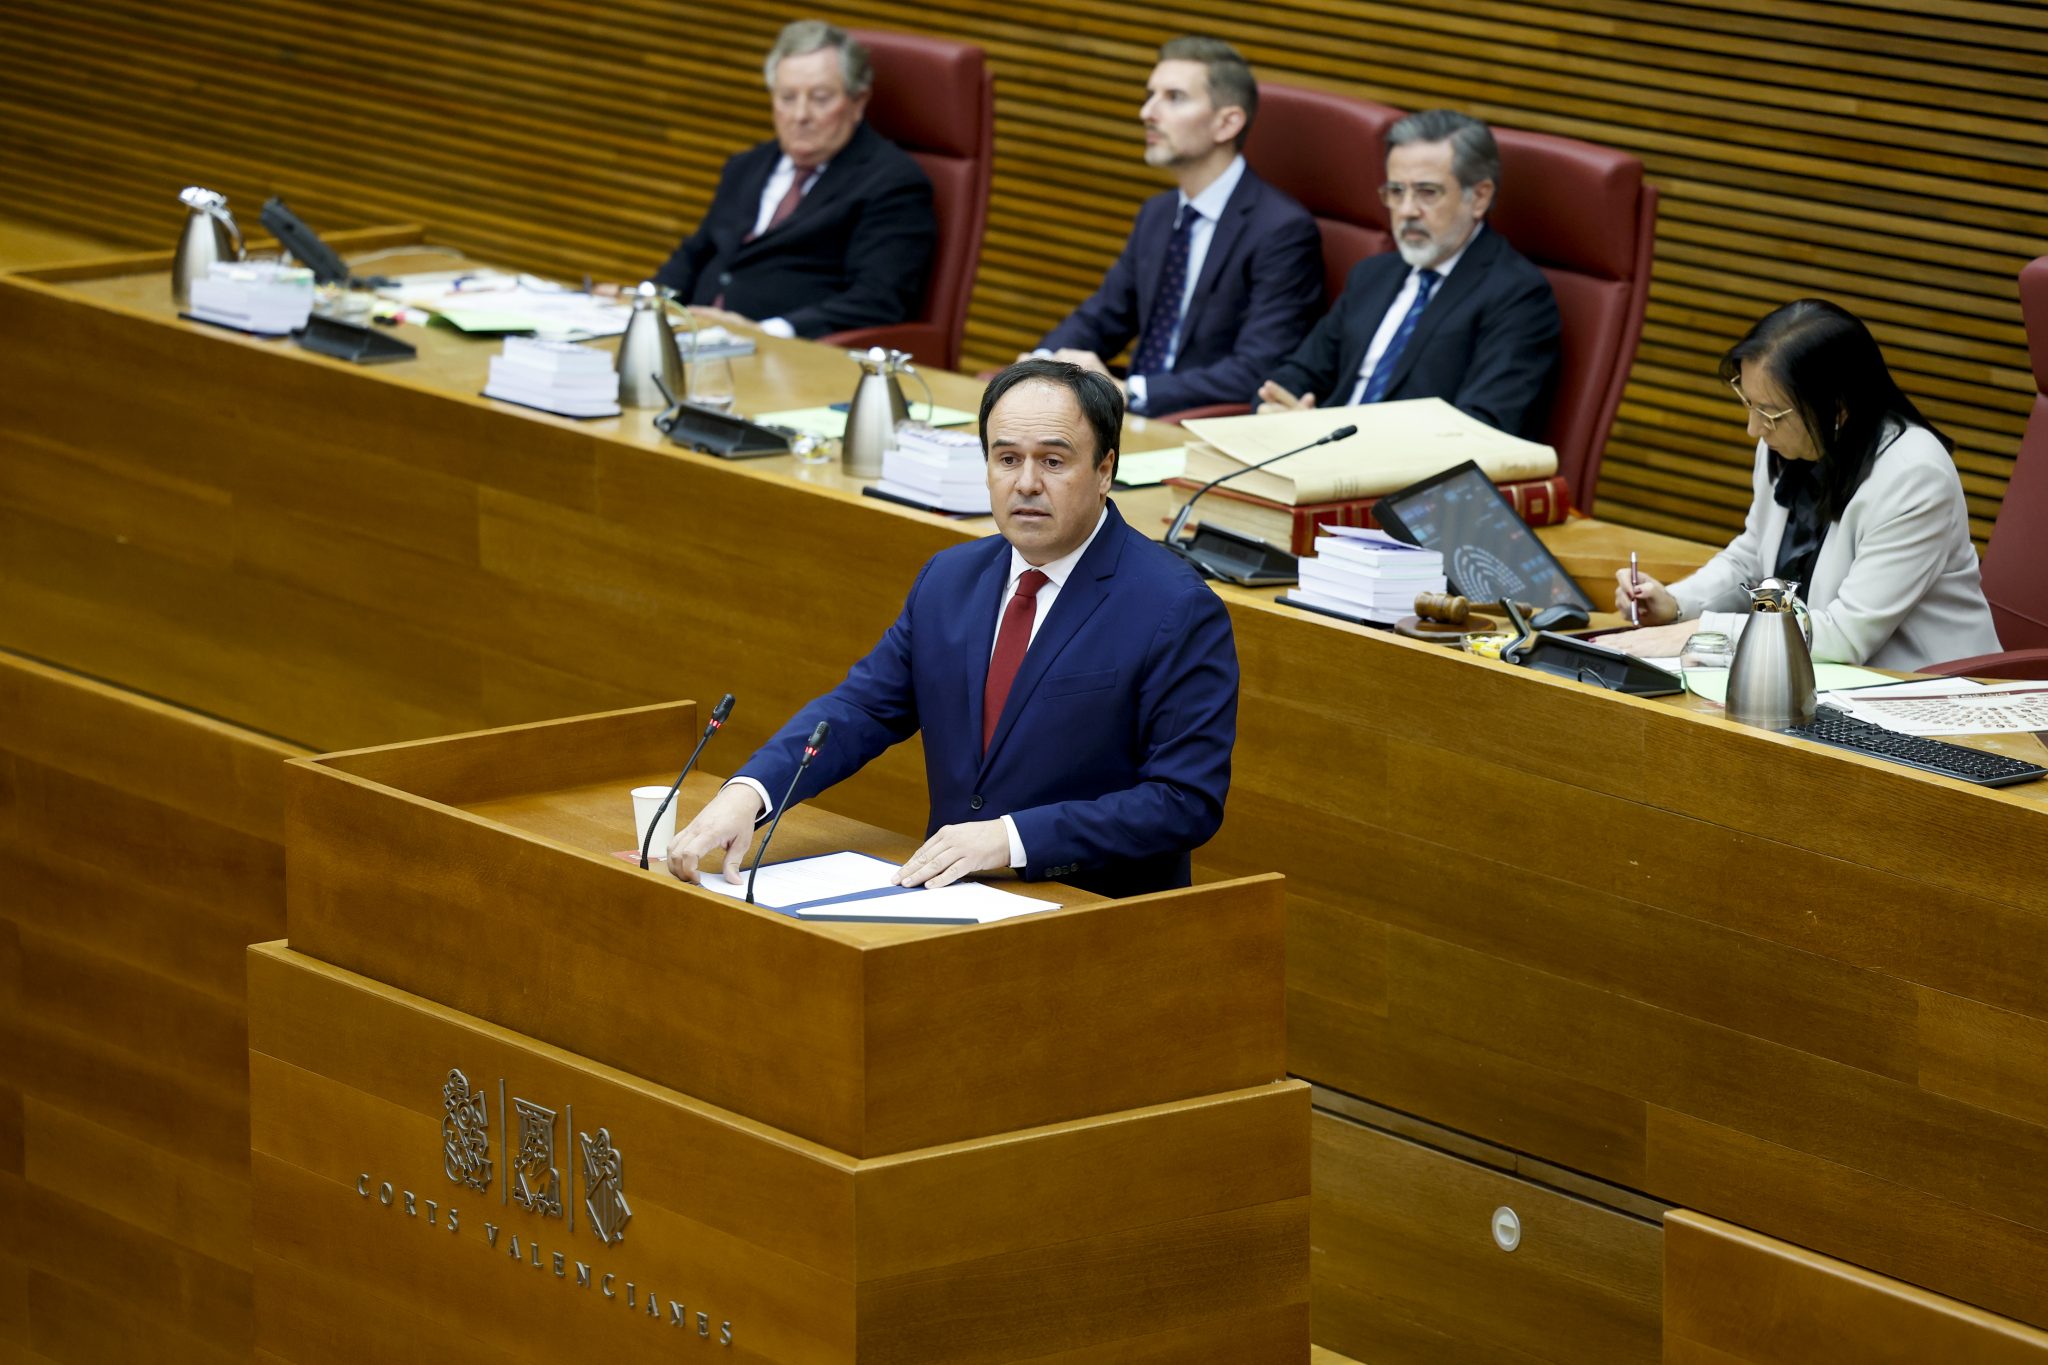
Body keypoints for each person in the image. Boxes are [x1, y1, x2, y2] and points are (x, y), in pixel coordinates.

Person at [666, 359, 1239, 899]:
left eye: (1053, 462)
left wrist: (1012, 838)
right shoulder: (949, 578)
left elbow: (1184, 800)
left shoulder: (1175, 608)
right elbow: (862, 709)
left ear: (1105, 469)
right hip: (950, 901)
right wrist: (751, 792)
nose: (1026, 483)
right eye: (1007, 459)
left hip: (1095, 911)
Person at [1609, 299, 2000, 671]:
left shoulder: (1914, 476)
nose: (1754, 429)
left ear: (1838, 409)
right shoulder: (1786, 444)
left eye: (1770, 414)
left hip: (1928, 694)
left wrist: (1703, 633)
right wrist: (1676, 604)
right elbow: (1753, 560)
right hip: (1820, 682)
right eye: (1748, 403)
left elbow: (1845, 636)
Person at [1030, 37, 1322, 418]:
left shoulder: (1282, 230)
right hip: (1133, 420)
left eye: (1174, 98)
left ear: (1227, 123)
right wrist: (1039, 363)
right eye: (1150, 95)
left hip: (1201, 425)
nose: (1147, 112)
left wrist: (1131, 392)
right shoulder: (1159, 212)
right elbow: (1103, 316)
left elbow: (1257, 370)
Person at [1256, 109, 1558, 437]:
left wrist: (1347, 444)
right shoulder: (1372, 275)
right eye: (1396, 191)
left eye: (1427, 192)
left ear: (1479, 197)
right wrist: (1276, 405)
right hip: (1317, 454)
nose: (1406, 210)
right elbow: (1298, 375)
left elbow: (1480, 429)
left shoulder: (1517, 296)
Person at [651, 20, 935, 339]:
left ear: (857, 102)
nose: (801, 115)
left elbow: (876, 300)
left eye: (820, 98)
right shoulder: (745, 166)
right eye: (787, 97)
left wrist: (765, 332)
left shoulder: (892, 183)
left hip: (788, 354)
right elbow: (695, 254)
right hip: (694, 338)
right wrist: (643, 304)